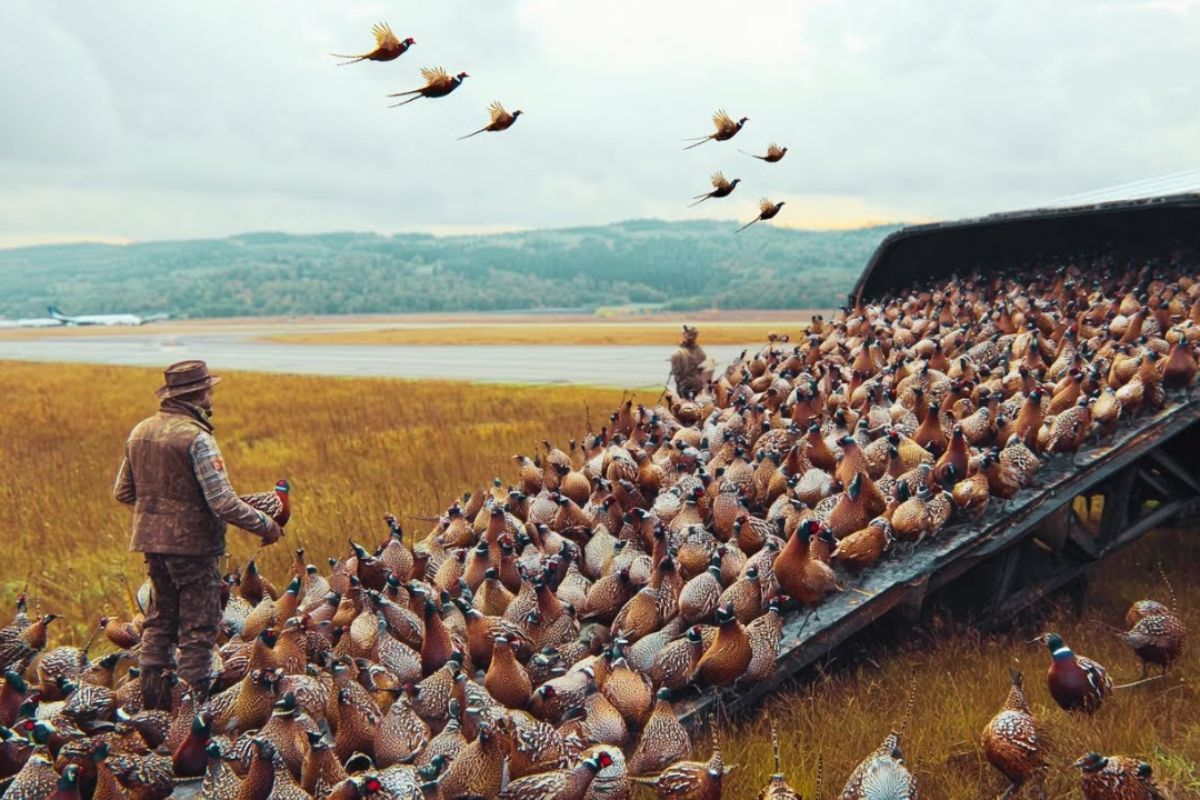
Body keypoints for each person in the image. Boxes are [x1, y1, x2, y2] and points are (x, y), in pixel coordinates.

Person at [113, 360, 283, 708]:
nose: (211, 395)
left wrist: (161, 512)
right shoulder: (197, 438)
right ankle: (192, 713)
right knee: (199, 629)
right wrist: (266, 524)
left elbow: (123, 492)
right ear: (197, 394)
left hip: (152, 545)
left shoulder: (141, 431)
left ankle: (154, 702)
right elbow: (222, 501)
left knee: (159, 621)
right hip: (195, 548)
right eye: (208, 390)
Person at [670, 324, 715, 398]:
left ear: (685, 335)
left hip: (683, 386)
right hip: (698, 384)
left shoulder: (677, 353)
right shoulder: (700, 351)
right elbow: (703, 365)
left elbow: (676, 374)